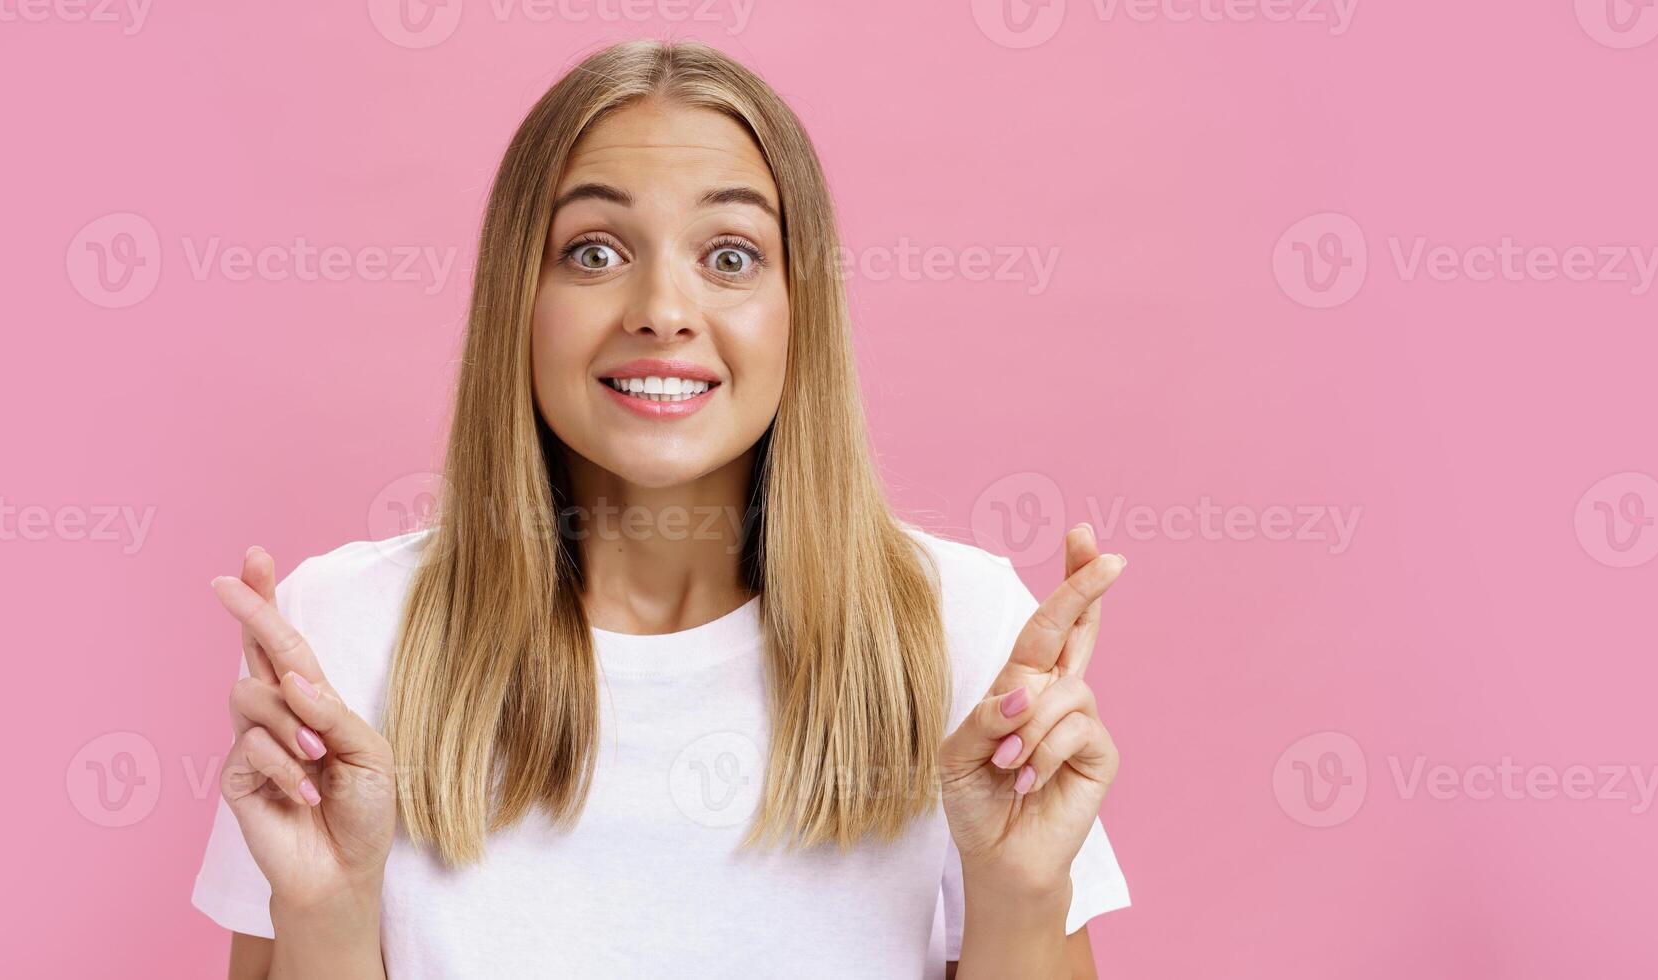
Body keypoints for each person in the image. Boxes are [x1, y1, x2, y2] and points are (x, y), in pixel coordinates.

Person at [194, 38, 1130, 979]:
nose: (662, 309)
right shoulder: (347, 635)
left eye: (730, 255)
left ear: (798, 308)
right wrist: (326, 912)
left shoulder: (962, 631)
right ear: (518, 296)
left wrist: (1020, 899)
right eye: (594, 251)